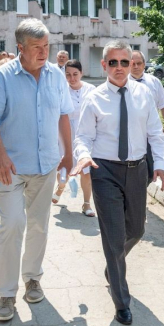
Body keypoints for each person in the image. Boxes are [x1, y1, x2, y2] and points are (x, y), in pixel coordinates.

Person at [0, 18, 74, 322]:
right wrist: (0, 155)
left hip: (45, 165)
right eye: (37, 47)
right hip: (11, 167)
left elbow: (63, 115)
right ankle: (6, 293)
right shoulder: (3, 76)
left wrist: (68, 154)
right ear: (20, 48)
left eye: (46, 46)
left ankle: (32, 277)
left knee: (39, 225)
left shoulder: (55, 76)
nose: (44, 52)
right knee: (12, 224)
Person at [72, 40, 164, 325]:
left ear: (131, 64)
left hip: (137, 170)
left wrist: (160, 164)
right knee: (114, 238)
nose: (119, 67)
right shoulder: (95, 98)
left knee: (136, 230)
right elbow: (83, 137)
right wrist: (83, 155)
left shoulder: (144, 94)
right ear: (104, 65)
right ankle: (121, 301)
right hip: (105, 172)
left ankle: (112, 264)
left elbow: (155, 133)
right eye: (112, 62)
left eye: (124, 62)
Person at [51, 59, 97, 218]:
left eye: (75, 74)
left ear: (81, 73)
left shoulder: (91, 89)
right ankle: (60, 187)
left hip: (86, 133)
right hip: (66, 133)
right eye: (68, 75)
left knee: (85, 170)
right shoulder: (61, 90)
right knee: (64, 168)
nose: (72, 78)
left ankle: (86, 204)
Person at [130, 50, 164, 184]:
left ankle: (141, 189)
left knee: (150, 169)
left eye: (139, 63)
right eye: (132, 63)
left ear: (144, 64)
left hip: (150, 133)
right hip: (131, 134)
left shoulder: (154, 82)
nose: (136, 66)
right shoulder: (123, 83)